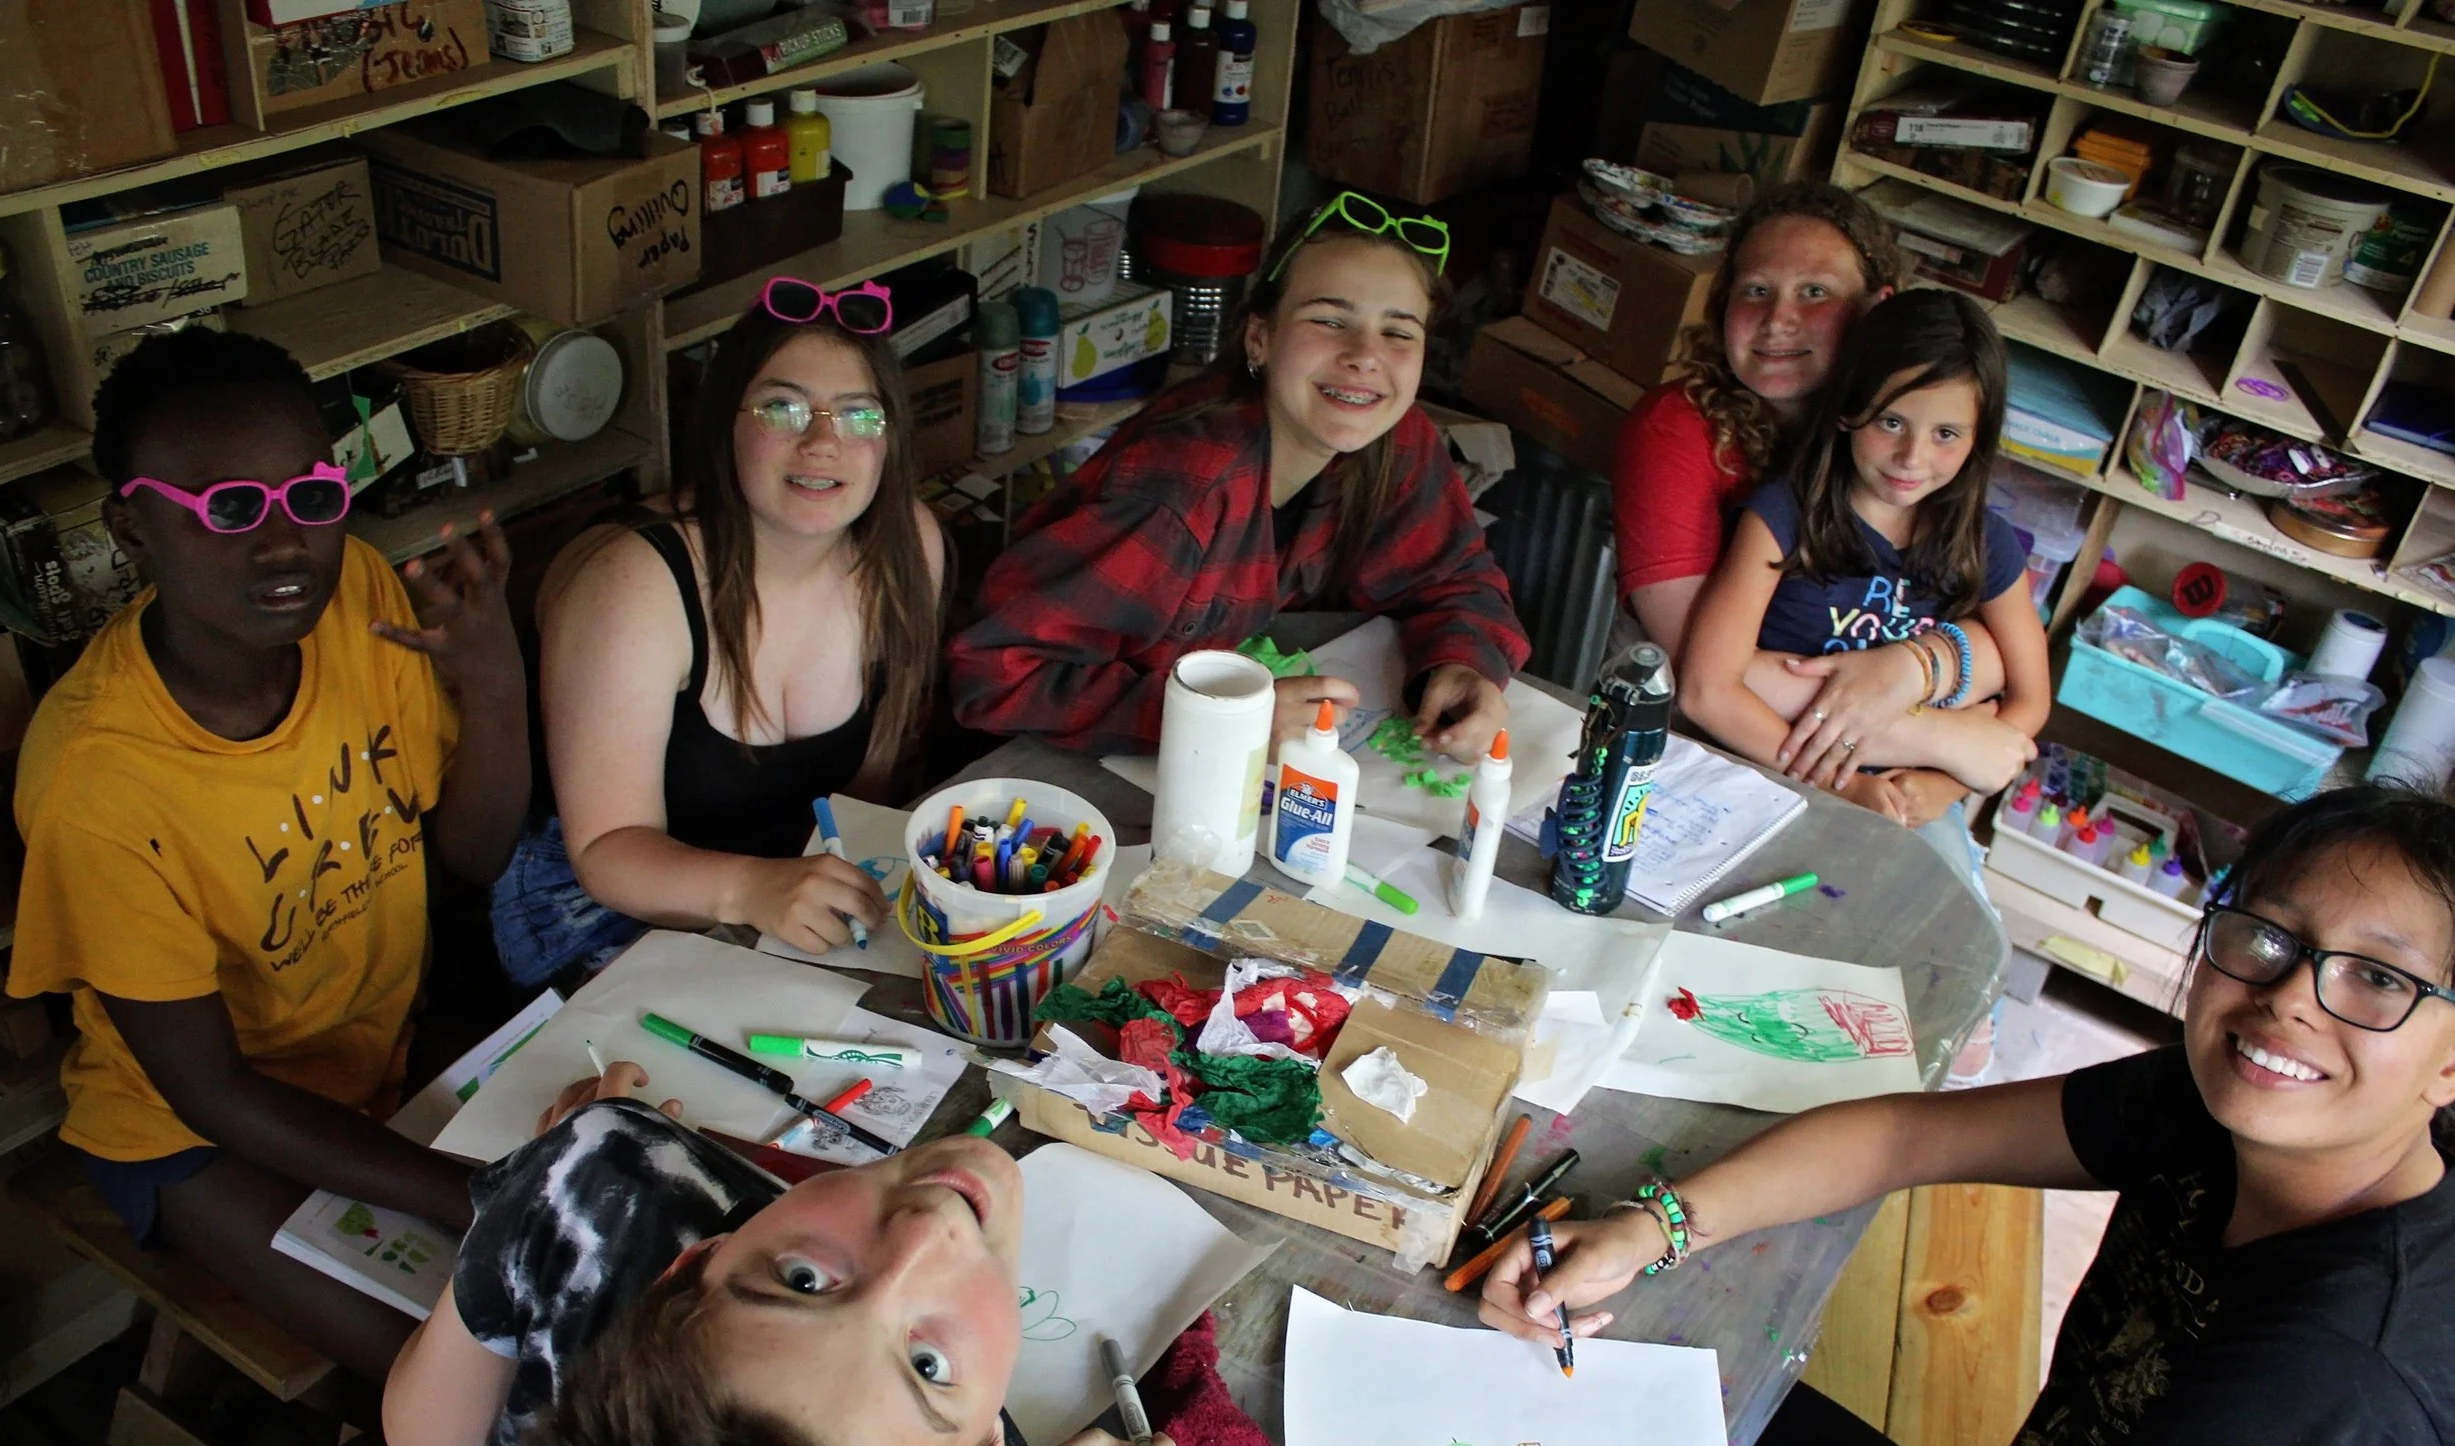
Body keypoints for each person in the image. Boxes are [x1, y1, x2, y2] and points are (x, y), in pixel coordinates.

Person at [1485, 781, 2455, 1446]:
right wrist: (1653, 1226)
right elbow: (1906, 1136)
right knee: (1624, 1390)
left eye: (2379, 978)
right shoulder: (2223, 1101)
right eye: (2269, 936)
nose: (2289, 999)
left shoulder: (2347, 1373)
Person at [4, 329, 531, 1446]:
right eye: (229, 506)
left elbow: (472, 856)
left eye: (312, 490)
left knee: (560, 1319)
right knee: (475, 1401)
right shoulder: (101, 775)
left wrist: (493, 682)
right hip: (189, 1133)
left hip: (367, 1058)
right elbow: (207, 1090)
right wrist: (464, 1194)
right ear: (133, 528)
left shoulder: (360, 600)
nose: (286, 538)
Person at [385, 1066, 1177, 1446]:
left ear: (696, 1262)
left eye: (803, 1280)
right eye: (926, 1365)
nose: (924, 1235)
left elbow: (424, 1439)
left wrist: (558, 1177)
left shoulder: (602, 1173)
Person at [949, 191, 1528, 762]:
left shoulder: (1392, 438)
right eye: (1329, 320)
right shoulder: (1182, 493)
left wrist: (1465, 662)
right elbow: (994, 674)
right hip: (1035, 770)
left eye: (1399, 332)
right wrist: (1222, 721)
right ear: (1260, 339)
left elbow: (1454, 575)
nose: (1365, 356)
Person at [496, 279, 943, 983]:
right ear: (725, 422)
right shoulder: (634, 583)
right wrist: (755, 889)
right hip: (608, 905)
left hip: (792, 893)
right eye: (783, 408)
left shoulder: (906, 548)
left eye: (859, 415)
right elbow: (606, 847)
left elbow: (871, 785)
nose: (823, 441)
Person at [1614, 183, 2018, 790]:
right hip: (1714, 739)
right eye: (1756, 290)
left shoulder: (1903, 448)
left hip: (1887, 756)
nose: (1779, 320)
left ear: (1876, 308)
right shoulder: (1675, 431)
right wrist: (1940, 736)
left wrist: (1914, 670)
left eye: (1815, 292)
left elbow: (2003, 650)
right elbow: (1706, 678)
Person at [1677, 287, 2045, 835]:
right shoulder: (1782, 517)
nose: (1912, 458)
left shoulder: (1985, 541)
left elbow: (2030, 697)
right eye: (1891, 422)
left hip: (1906, 793)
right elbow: (1706, 690)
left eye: (1946, 434)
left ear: (1978, 438)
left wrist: (1942, 787)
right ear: (1850, 407)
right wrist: (1841, 785)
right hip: (1768, 771)